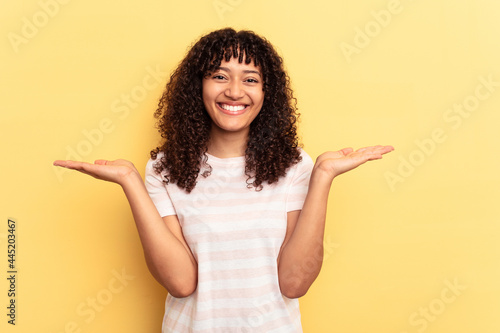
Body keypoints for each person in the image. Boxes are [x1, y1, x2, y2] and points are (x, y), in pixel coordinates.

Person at [54, 28, 393, 332]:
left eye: (250, 79)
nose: (234, 91)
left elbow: (294, 283)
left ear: (266, 93)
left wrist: (322, 177)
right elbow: (181, 283)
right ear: (197, 86)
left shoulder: (294, 165)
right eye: (219, 76)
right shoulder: (163, 168)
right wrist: (130, 180)